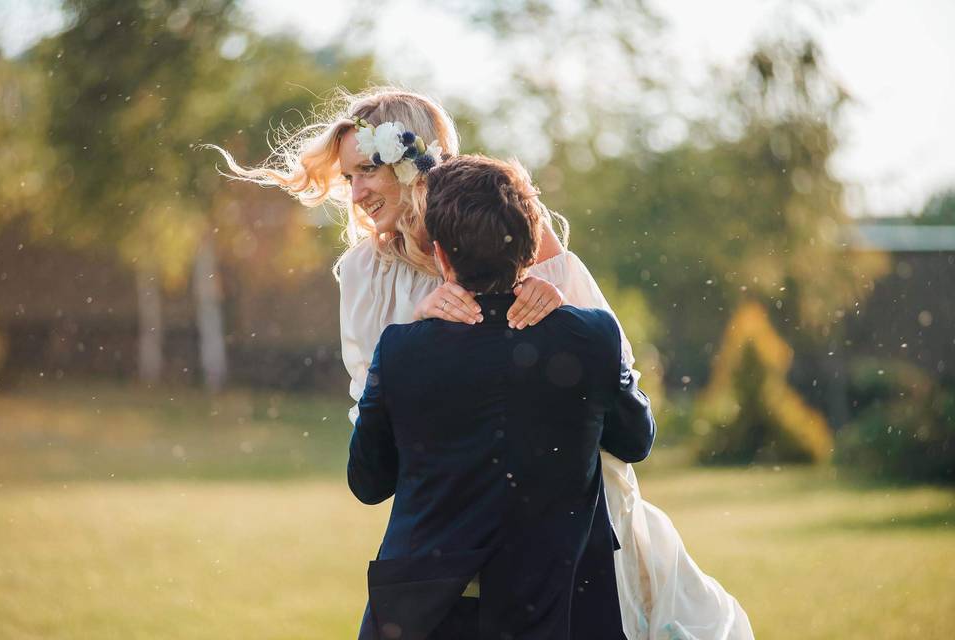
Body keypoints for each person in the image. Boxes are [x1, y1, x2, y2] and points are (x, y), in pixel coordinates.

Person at [210, 87, 753, 640]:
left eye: (369, 169)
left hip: (561, 513)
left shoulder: (509, 224)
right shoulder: (363, 274)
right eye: (350, 178)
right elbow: (374, 408)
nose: (359, 192)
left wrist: (556, 307)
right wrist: (417, 330)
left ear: (410, 157)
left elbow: (608, 368)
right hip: (448, 517)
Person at [348, 154, 656, 639]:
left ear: (442, 257)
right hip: (556, 612)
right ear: (532, 248)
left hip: (428, 616)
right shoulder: (593, 337)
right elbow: (636, 440)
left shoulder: (402, 348)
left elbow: (368, 481)